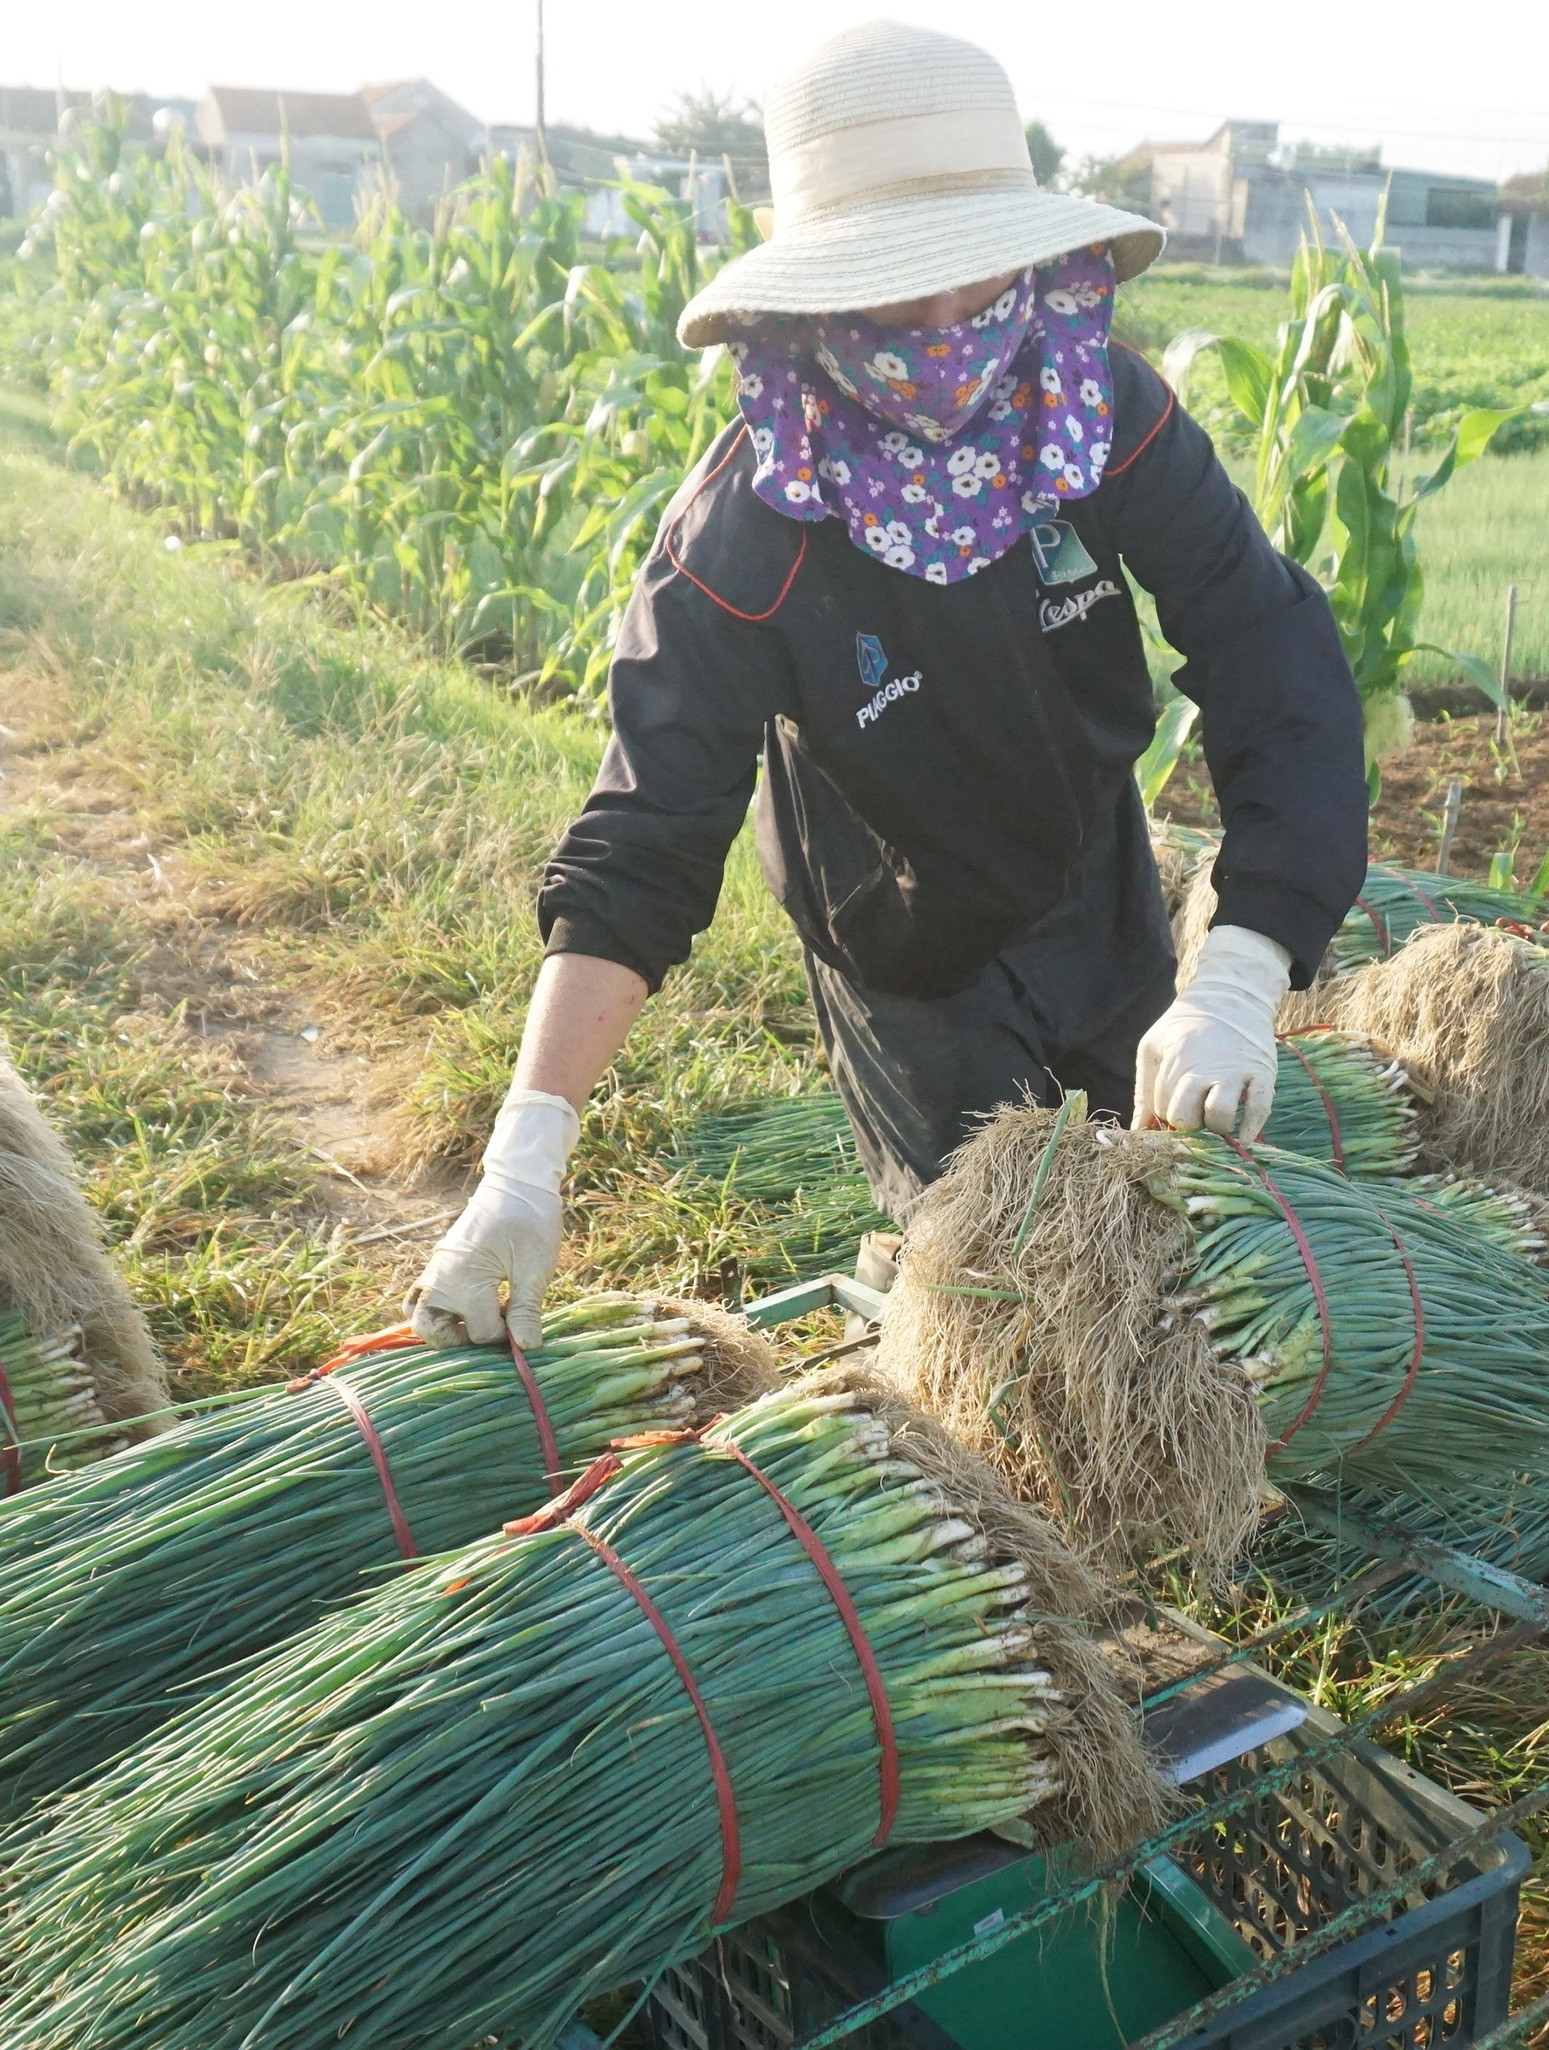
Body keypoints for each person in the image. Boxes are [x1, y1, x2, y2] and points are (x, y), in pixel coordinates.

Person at [411, 19, 1366, 1347]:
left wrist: (1243, 968)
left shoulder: (1097, 415)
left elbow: (1271, 654)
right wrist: (526, 1153)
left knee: (1166, 1230)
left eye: (973, 281)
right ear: (809, 298)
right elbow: (644, 839)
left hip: (1093, 869)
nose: (942, 330)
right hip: (902, 933)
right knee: (992, 1298)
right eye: (889, 291)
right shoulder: (748, 533)